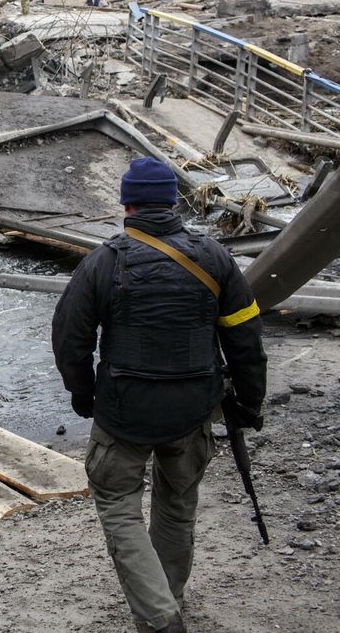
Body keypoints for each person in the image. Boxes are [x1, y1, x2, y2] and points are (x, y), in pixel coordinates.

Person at [52, 158, 266, 633]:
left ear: (126, 204)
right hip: (193, 409)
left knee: (118, 506)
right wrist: (250, 402)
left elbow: (70, 338)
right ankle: (167, 601)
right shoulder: (216, 258)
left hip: (123, 408)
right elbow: (246, 339)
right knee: (177, 506)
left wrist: (84, 394)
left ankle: (160, 617)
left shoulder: (102, 262)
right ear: (174, 201)